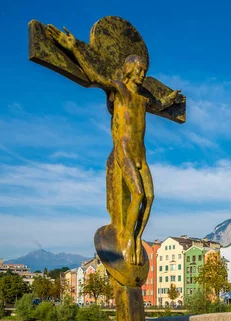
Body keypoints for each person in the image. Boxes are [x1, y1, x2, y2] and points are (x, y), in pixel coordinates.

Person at [46, 25, 182, 266]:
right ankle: (127, 239)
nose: (142, 75)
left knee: (149, 198)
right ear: (129, 70)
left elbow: (159, 104)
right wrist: (74, 47)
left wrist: (170, 100)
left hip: (142, 155)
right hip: (125, 150)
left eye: (144, 71)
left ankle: (137, 237)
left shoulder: (142, 100)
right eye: (139, 70)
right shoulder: (119, 90)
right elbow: (95, 77)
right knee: (137, 194)